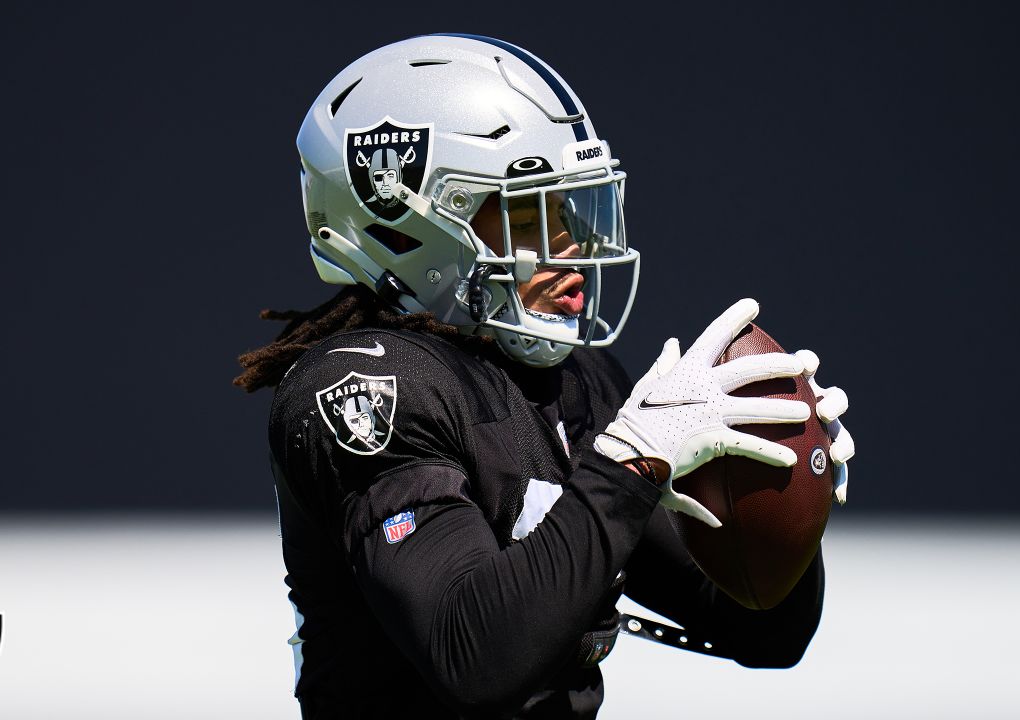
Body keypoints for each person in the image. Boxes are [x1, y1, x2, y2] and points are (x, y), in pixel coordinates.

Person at [234, 34, 854, 719]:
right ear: (412, 223)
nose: (578, 247)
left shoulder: (576, 382)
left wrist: (783, 488)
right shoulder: (362, 388)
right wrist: (630, 464)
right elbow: (474, 658)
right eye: (534, 214)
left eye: (575, 210)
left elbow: (763, 629)